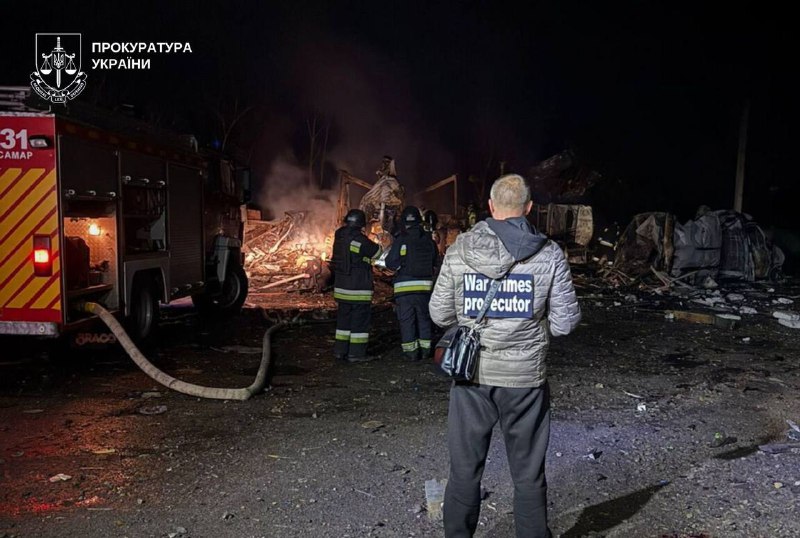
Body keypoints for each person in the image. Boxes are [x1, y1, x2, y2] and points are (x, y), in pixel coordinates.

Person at [429, 174, 581, 538]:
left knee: (464, 471)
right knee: (528, 475)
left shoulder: (461, 249)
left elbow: (440, 314)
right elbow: (564, 324)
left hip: (472, 376)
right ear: (528, 208)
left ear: (491, 207)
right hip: (525, 381)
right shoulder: (549, 254)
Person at [385, 206, 438, 361]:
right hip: (424, 290)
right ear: (419, 222)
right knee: (424, 319)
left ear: (403, 222)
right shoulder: (428, 241)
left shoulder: (401, 240)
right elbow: (436, 262)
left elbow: (390, 263)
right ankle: (426, 351)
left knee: (407, 321)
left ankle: (411, 353)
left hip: (404, 290)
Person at [331, 209, 382, 363]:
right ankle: (356, 353)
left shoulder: (339, 236)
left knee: (343, 323)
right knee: (359, 323)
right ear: (361, 224)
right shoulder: (359, 240)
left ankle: (340, 351)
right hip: (358, 288)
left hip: (341, 287)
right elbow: (377, 252)